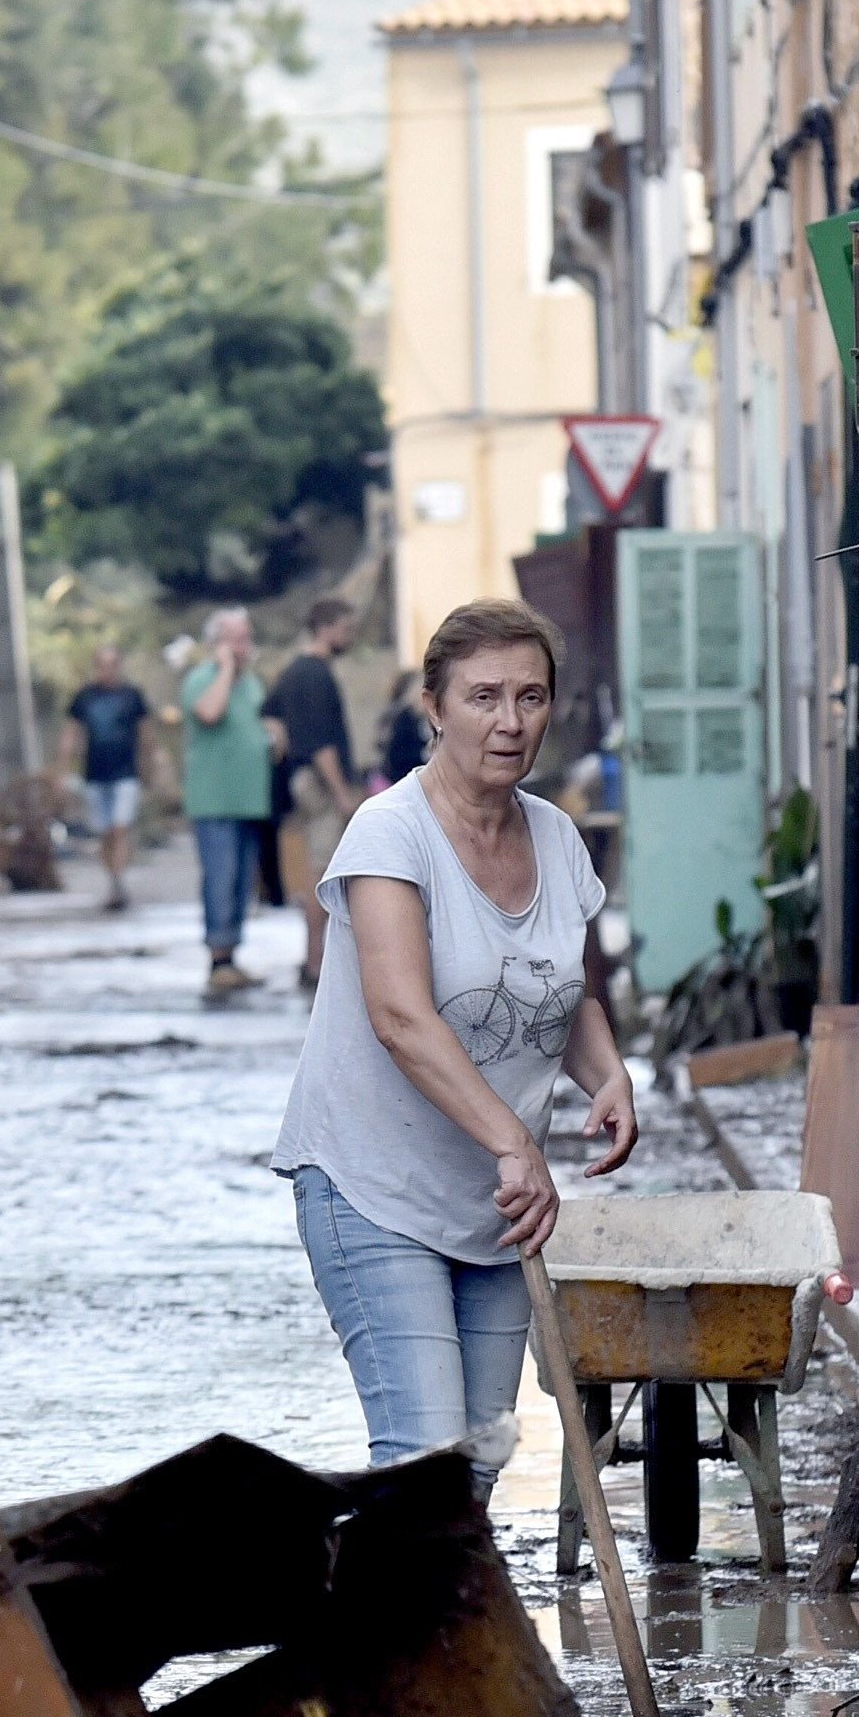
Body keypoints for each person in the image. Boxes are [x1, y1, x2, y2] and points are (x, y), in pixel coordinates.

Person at [271, 598, 638, 1473]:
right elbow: (398, 1015)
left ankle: (423, 1614)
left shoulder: (554, 837)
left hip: (494, 1203)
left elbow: (564, 993)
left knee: (474, 1468)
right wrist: (516, 1140)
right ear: (432, 707)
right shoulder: (389, 833)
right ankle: (379, 1613)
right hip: (373, 1188)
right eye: (482, 697)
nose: (509, 722)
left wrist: (610, 1076)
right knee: (425, 1459)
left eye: (530, 697)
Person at [268, 598, 361, 989]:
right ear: (324, 628)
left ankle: (315, 957)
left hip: (302, 778)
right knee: (324, 872)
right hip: (321, 783)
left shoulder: (292, 672)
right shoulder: (315, 675)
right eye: (344, 628)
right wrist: (341, 791)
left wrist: (283, 749)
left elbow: (269, 714)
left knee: (318, 867)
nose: (349, 636)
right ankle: (314, 961)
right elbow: (323, 741)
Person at [180, 609, 273, 995]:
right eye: (234, 638)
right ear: (216, 643)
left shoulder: (252, 684)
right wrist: (223, 669)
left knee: (241, 881)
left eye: (246, 637)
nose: (243, 646)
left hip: (250, 799)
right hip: (215, 801)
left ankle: (231, 954)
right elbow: (210, 712)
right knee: (220, 877)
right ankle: (218, 957)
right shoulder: (202, 680)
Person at [64, 644, 153, 912]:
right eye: (102, 664)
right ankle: (113, 878)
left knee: (120, 827)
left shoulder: (132, 696)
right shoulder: (85, 698)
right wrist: (64, 768)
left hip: (126, 773)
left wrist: (150, 767)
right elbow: (71, 734)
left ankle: (118, 882)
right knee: (104, 832)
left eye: (112, 664)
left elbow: (146, 734)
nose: (107, 670)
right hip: (95, 774)